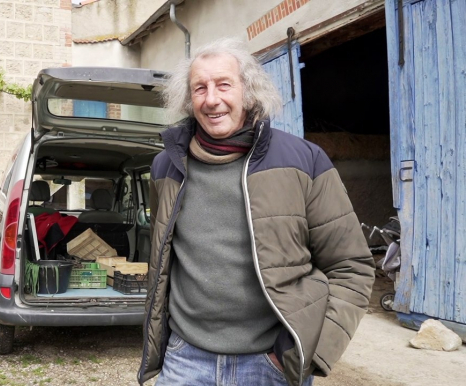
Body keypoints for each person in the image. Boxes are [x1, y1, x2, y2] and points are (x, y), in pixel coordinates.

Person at [137, 38, 375, 386]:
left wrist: (305, 352)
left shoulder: (303, 161)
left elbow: (350, 266)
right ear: (189, 100)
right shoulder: (166, 167)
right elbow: (163, 257)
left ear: (248, 92)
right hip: (185, 359)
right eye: (200, 88)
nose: (212, 99)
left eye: (224, 85)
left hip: (270, 365)